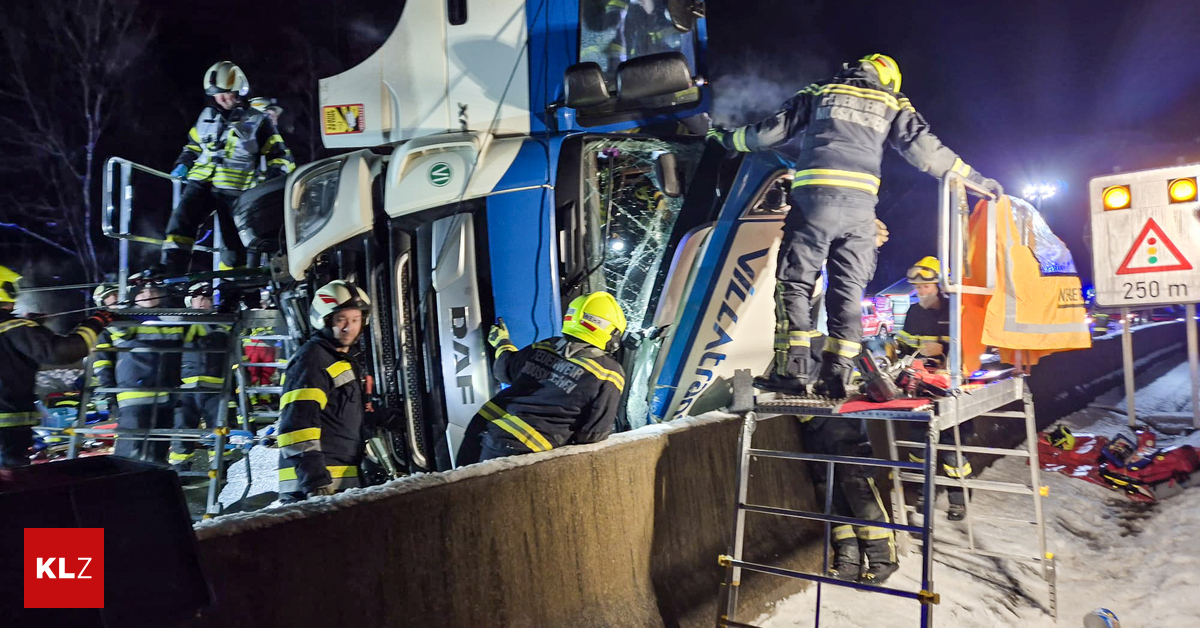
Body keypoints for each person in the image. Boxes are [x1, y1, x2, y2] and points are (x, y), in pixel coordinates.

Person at [708, 53, 1004, 398]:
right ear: (888, 78)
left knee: (796, 283)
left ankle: (794, 372)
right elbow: (927, 154)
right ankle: (835, 379)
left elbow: (768, 134)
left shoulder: (822, 90)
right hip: (861, 213)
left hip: (813, 205)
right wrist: (977, 179)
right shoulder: (891, 100)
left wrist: (726, 139)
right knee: (848, 291)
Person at [152, 61, 295, 277]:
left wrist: (272, 181)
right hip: (200, 182)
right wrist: (183, 163)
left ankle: (232, 292)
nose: (221, 98)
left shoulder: (258, 120)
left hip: (234, 190)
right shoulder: (206, 115)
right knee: (181, 221)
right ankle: (171, 270)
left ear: (239, 89)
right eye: (216, 94)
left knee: (233, 244)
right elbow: (192, 146)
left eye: (226, 93)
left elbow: (280, 155)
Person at [466, 291, 627, 462]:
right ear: (612, 332)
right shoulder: (608, 373)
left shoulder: (546, 345)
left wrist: (502, 342)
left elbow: (504, 370)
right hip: (523, 449)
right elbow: (592, 435)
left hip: (482, 429)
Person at [0, 265, 116, 467]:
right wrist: (96, 322)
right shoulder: (13, 327)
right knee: (11, 484)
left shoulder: (14, 328)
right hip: (6, 426)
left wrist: (30, 328)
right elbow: (63, 351)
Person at [276, 280, 370, 502]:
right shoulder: (312, 360)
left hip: (339, 479)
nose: (349, 327)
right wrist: (315, 482)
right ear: (324, 320)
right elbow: (297, 427)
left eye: (356, 320)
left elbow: (340, 413)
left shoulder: (341, 358)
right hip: (315, 486)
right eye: (341, 320)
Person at [895, 256, 972, 521]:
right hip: (922, 385)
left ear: (938, 285)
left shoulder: (955, 310)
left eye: (925, 287)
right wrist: (895, 350)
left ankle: (958, 502)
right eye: (917, 288)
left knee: (952, 448)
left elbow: (970, 347)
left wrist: (945, 350)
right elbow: (905, 346)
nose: (920, 292)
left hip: (950, 385)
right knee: (919, 448)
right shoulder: (914, 312)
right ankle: (923, 497)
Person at [800, 414, 898, 584]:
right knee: (830, 492)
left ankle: (882, 559)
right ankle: (849, 559)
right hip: (811, 423)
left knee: (858, 490)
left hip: (841, 419)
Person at [112, 284, 184, 463]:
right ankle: (122, 486)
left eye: (154, 290)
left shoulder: (174, 317)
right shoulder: (126, 318)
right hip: (137, 393)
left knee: (159, 450)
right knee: (130, 450)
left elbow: (196, 334)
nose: (149, 294)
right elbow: (119, 329)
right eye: (142, 291)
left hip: (166, 392)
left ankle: (155, 483)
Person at [170, 282, 232, 473]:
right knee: (183, 429)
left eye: (207, 298)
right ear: (190, 301)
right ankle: (180, 469)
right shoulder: (182, 322)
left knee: (218, 428)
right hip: (186, 387)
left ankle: (222, 467)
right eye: (199, 297)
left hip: (215, 387)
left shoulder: (223, 323)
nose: (204, 301)